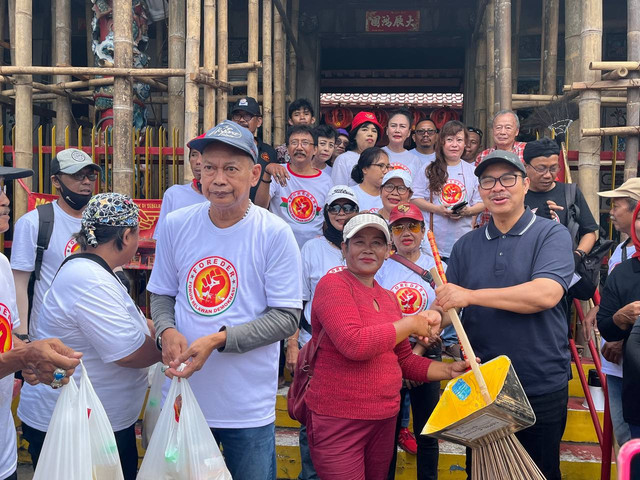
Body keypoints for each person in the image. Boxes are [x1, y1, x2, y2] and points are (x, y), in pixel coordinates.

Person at [148, 120, 302, 480]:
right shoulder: (175, 224)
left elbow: (286, 317)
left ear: (254, 174)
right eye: (210, 168)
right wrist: (166, 331)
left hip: (245, 408)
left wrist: (219, 340)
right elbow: (161, 292)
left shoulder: (274, 233)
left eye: (231, 169)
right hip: (184, 396)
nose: (218, 179)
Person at [434, 150, 575, 480]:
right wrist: (428, 321)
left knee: (538, 473)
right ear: (479, 190)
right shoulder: (467, 245)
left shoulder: (551, 234)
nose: (498, 187)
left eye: (507, 179)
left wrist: (470, 296)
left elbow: (545, 294)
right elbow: (452, 307)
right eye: (487, 181)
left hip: (538, 383)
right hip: (484, 387)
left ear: (525, 185)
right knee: (484, 474)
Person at [304, 212, 469, 479]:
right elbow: (354, 344)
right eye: (359, 242)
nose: (368, 249)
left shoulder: (389, 298)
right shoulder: (333, 285)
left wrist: (449, 372)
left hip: (383, 418)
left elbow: (403, 361)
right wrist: (411, 323)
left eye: (377, 243)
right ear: (344, 248)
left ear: (387, 251)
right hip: (340, 419)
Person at [17, 193, 160, 480]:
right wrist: (166, 345)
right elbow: (128, 353)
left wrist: (158, 327)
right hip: (77, 427)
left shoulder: (94, 269)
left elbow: (129, 323)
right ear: (128, 234)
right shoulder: (89, 280)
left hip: (94, 421)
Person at [0, 165, 81, 480]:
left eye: (5, 189)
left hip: (5, 453)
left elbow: (8, 339)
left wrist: (33, 352)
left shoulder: (2, 266)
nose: (5, 200)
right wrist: (26, 356)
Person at [288, 185, 360, 480]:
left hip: (354, 346)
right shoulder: (311, 248)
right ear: (326, 213)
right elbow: (296, 299)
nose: (341, 214)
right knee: (313, 419)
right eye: (335, 208)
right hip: (313, 345)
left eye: (348, 208)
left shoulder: (366, 246)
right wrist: (292, 345)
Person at [376, 203, 441, 480]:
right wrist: (405, 355)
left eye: (413, 226)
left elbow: (443, 311)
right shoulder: (380, 267)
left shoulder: (436, 266)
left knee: (428, 430)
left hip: (425, 354)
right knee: (387, 435)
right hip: (389, 357)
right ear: (391, 233)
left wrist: (416, 352)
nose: (406, 233)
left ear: (423, 230)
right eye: (399, 227)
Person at [11, 148, 102, 337]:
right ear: (55, 181)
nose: (86, 182)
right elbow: (19, 284)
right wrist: (22, 337)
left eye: (90, 176)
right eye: (77, 175)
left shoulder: (102, 221)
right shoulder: (33, 222)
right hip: (48, 337)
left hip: (97, 334)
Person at [582, 178, 640, 448]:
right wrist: (601, 307)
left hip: (628, 356)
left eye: (617, 206)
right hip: (616, 363)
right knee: (625, 436)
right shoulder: (621, 248)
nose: (612, 212)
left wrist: (622, 338)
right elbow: (622, 295)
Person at [411, 120, 484, 261]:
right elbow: (414, 198)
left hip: (463, 241)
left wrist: (467, 211)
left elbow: (482, 202)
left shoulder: (473, 171)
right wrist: (438, 209)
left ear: (465, 144)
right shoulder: (429, 169)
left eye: (459, 140)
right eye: (449, 140)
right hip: (431, 244)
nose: (454, 144)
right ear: (442, 142)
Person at [258, 125, 333, 248]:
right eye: (294, 143)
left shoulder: (326, 180)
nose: (299, 147)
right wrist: (266, 172)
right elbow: (260, 207)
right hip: (279, 246)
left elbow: (327, 220)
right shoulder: (278, 172)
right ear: (287, 148)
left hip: (313, 249)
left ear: (315, 149)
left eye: (305, 143)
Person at [523, 137, 598, 257]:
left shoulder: (570, 192)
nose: (548, 175)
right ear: (526, 166)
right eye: (541, 169)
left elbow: (589, 232)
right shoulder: (517, 195)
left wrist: (577, 255)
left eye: (553, 168)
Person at [474, 110, 527, 227]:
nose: (502, 132)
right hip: (489, 220)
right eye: (498, 128)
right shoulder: (482, 157)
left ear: (517, 131)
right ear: (493, 130)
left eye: (508, 127)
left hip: (520, 219)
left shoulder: (527, 151)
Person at [229, 96, 279, 202]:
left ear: (259, 121)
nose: (242, 120)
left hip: (260, 213)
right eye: (237, 116)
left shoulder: (269, 152)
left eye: (247, 116)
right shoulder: (224, 148)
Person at [154, 137, 205, 239]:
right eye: (194, 155)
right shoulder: (174, 194)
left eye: (204, 155)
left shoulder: (224, 197)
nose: (198, 161)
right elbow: (161, 238)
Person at [331, 111, 383, 187]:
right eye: (365, 130)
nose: (370, 134)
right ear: (355, 135)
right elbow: (338, 192)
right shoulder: (343, 159)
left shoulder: (381, 159)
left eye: (374, 131)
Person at [382, 109, 422, 179]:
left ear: (409, 132)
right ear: (387, 130)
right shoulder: (377, 155)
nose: (397, 130)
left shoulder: (415, 160)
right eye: (393, 126)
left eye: (402, 126)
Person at [276, 98, 316, 163]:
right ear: (290, 121)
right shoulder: (281, 151)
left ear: (313, 120)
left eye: (306, 114)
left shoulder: (320, 148)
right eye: (297, 114)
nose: (302, 117)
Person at [351, 147, 389, 213]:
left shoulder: (390, 195)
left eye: (387, 167)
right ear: (365, 169)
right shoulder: (351, 194)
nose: (386, 171)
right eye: (381, 165)